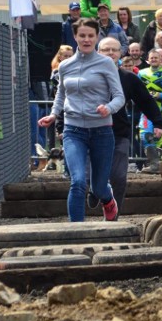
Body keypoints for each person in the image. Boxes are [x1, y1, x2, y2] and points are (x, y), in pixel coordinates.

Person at [38, 19, 124, 222]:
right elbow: (61, 94)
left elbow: (119, 96)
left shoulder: (106, 64)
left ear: (96, 37)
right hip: (73, 130)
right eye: (82, 35)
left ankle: (108, 200)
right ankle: (76, 231)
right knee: (77, 182)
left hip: (101, 130)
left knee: (99, 186)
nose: (86, 39)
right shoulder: (66, 65)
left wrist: (108, 108)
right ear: (75, 36)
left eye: (90, 36)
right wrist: (53, 114)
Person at [96, 37, 162, 212]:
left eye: (114, 50)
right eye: (106, 50)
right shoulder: (90, 76)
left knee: (119, 177)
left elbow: (145, 101)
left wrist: (158, 123)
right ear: (98, 52)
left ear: (121, 53)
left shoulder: (129, 78)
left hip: (119, 133)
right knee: (91, 176)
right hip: (92, 133)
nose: (110, 53)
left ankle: (113, 212)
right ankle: (96, 194)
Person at [138, 49, 162, 172]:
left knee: (158, 134)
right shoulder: (141, 73)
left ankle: (158, 163)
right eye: (152, 57)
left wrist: (159, 95)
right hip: (146, 108)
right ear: (147, 60)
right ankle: (154, 163)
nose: (154, 59)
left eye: (156, 57)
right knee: (144, 134)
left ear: (161, 59)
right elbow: (136, 89)